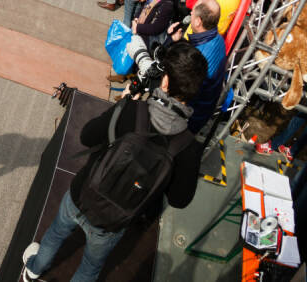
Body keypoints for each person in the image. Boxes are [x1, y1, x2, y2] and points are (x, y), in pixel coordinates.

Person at [22, 41, 206, 281]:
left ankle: (33, 270)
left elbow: (88, 135)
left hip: (82, 194)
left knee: (56, 233)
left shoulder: (133, 110)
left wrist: (123, 105)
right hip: (114, 220)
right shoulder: (188, 147)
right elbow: (179, 200)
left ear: (165, 81)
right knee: (90, 267)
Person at [169, 0, 227, 132]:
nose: (190, 13)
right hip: (200, 114)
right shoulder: (217, 39)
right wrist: (179, 43)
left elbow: (180, 90)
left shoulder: (198, 58)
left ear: (198, 21)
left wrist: (170, 44)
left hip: (186, 121)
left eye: (193, 12)